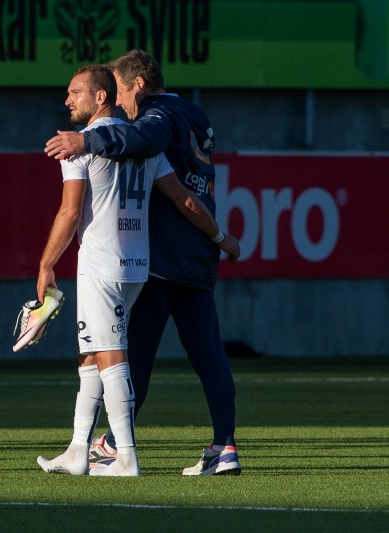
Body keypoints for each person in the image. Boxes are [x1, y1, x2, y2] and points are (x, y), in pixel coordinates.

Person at [45, 49, 242, 475]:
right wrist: (220, 237)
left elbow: (146, 141)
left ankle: (117, 446)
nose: (117, 102)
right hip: (196, 255)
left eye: (118, 90)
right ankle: (225, 446)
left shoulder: (156, 117)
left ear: (137, 84)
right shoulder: (194, 113)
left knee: (130, 358)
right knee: (209, 355)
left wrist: (85, 140)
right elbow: (188, 194)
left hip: (156, 259)